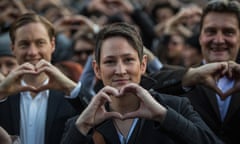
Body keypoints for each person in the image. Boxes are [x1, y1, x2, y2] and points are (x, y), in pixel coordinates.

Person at [61, 22, 222, 144]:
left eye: (128, 60)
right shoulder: (80, 122)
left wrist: (164, 116)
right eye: (110, 62)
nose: (120, 70)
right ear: (97, 69)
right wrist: (82, 126)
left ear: (143, 64)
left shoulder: (176, 107)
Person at [0, 13, 79, 144]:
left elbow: (95, 119)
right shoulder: (3, 96)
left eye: (40, 43)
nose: (32, 52)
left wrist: (71, 89)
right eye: (24, 44)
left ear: (52, 45)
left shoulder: (71, 96)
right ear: (13, 48)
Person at [173, 0, 240, 143]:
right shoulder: (179, 80)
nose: (219, 40)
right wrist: (190, 77)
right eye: (211, 31)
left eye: (228, 32)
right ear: (200, 37)